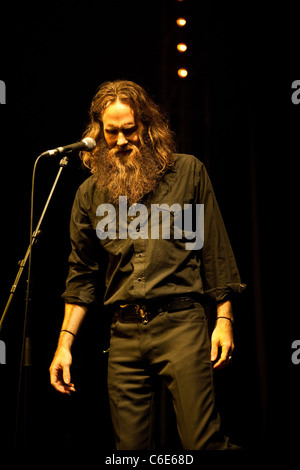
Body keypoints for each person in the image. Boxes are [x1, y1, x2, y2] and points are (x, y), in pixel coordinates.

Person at [49, 80, 245, 450]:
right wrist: (64, 344)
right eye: (111, 132)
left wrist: (224, 319)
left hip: (182, 325)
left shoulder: (188, 172)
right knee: (129, 453)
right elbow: (81, 277)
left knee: (202, 443)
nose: (121, 140)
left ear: (147, 127)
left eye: (129, 130)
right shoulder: (89, 194)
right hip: (123, 334)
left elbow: (215, 252)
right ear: (98, 133)